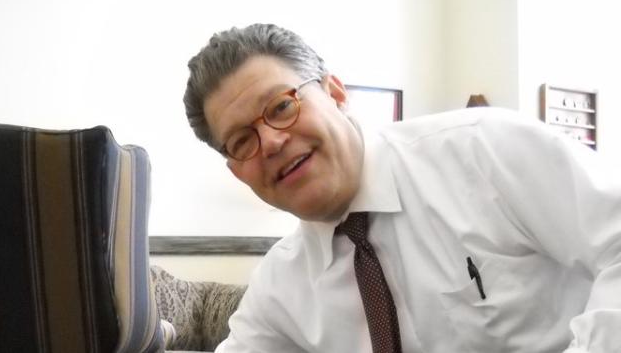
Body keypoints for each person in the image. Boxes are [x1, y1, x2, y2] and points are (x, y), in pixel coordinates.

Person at [182, 23, 621, 353]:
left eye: (282, 106)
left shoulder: (485, 149)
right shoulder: (280, 289)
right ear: (238, 170)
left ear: (335, 94)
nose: (273, 141)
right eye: (243, 141)